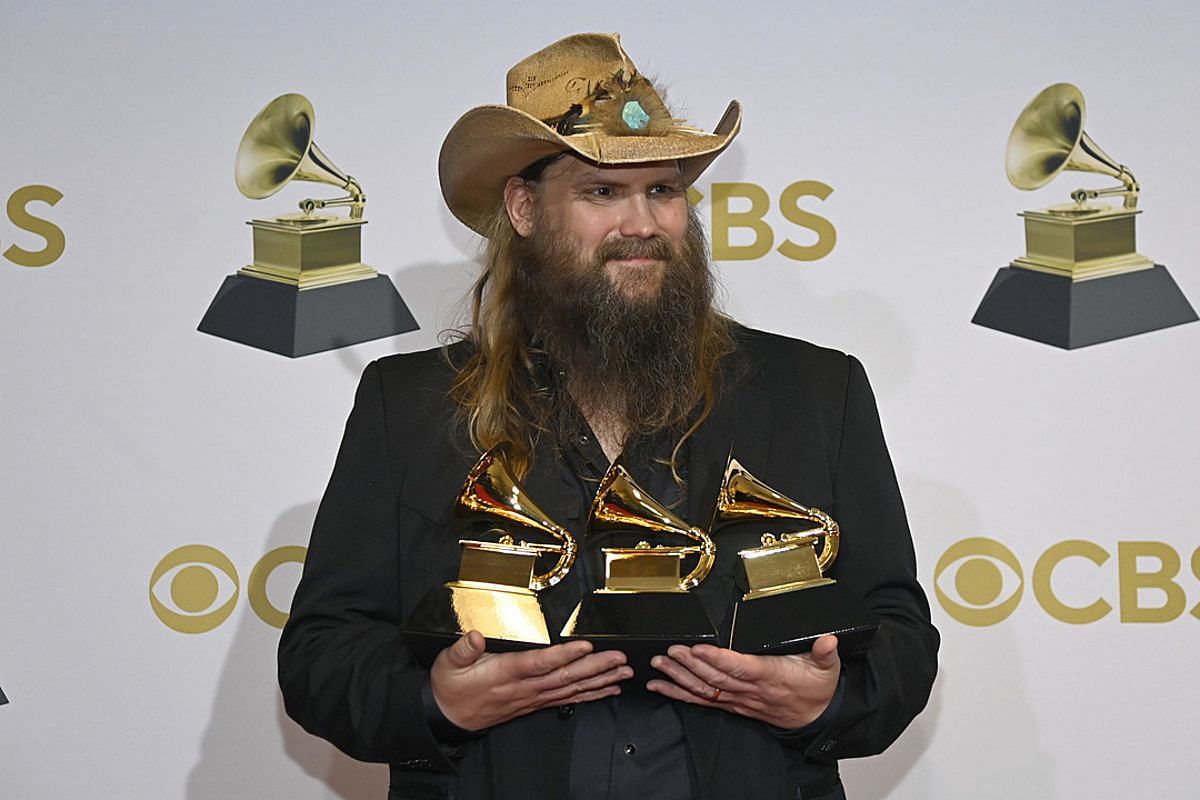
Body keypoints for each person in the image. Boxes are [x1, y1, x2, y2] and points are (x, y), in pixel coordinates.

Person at [279, 32, 939, 800]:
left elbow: (900, 639)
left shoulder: (819, 392)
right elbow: (321, 656)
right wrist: (436, 701)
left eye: (664, 191)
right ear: (524, 208)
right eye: (602, 193)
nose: (644, 224)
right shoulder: (409, 406)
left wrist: (830, 701)